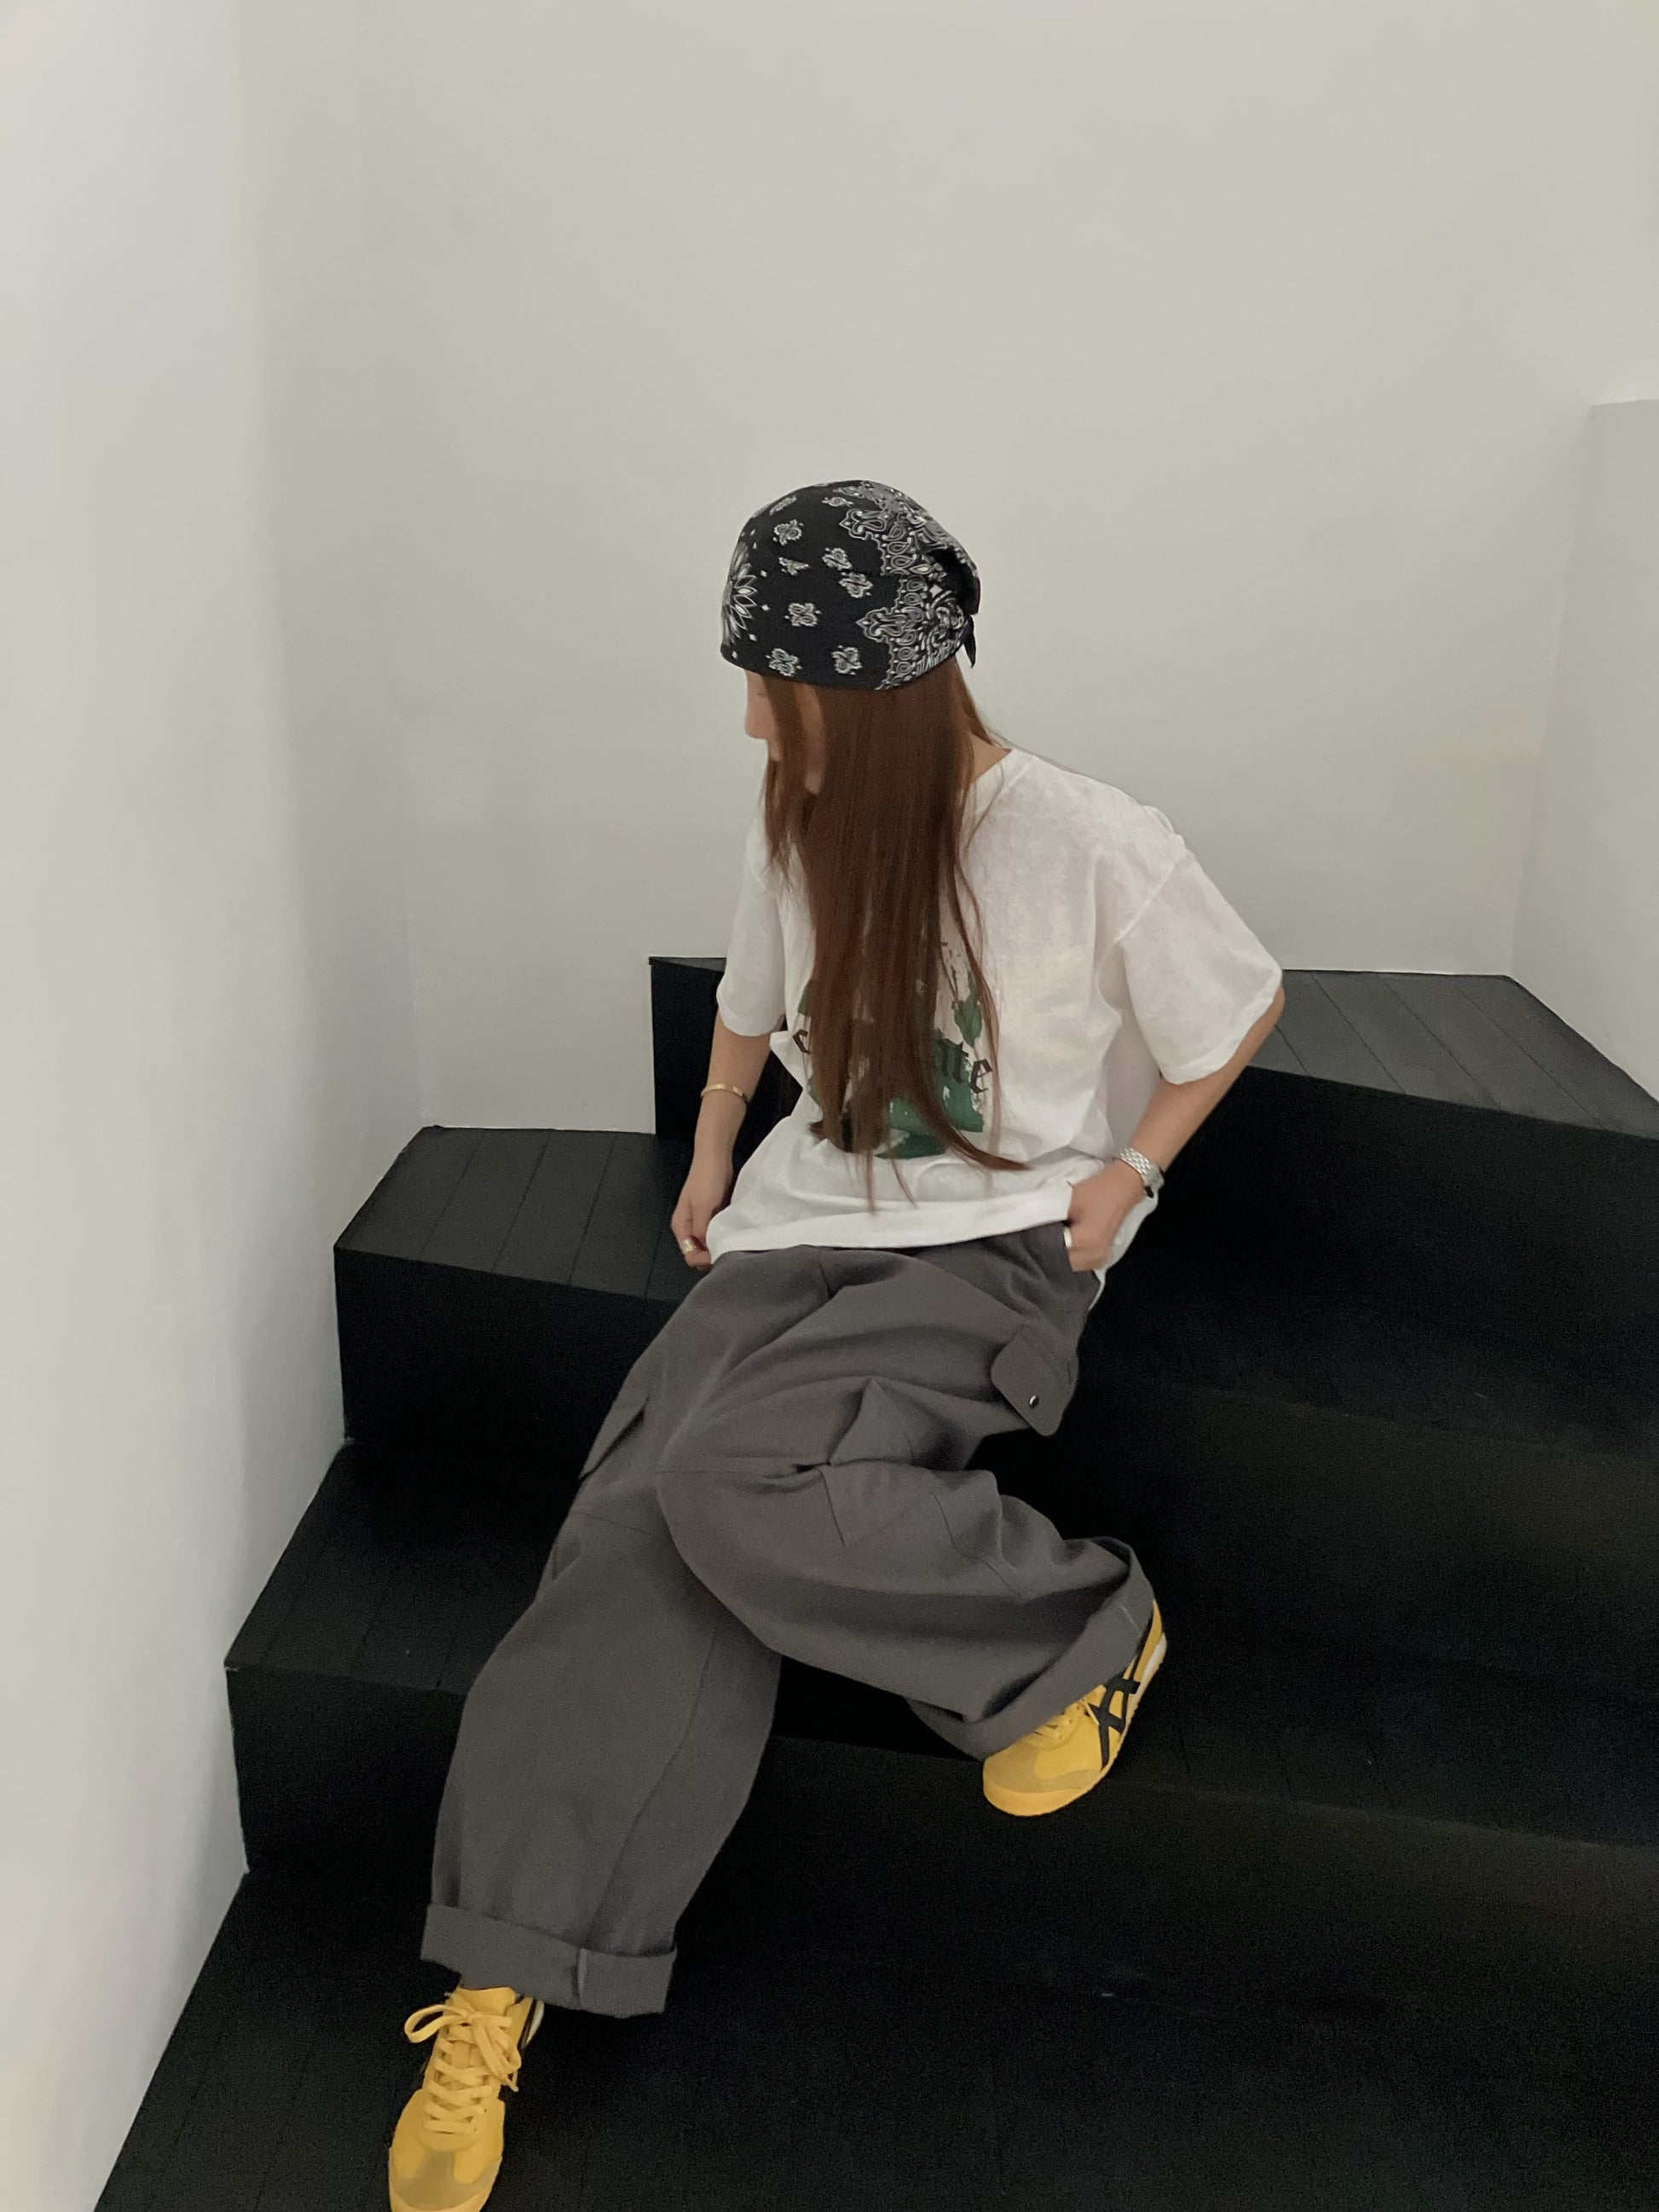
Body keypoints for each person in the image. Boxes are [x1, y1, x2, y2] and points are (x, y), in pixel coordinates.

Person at [386, 479, 1286, 2212]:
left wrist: (1132, 1171)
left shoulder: (1085, 837)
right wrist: (715, 1147)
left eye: (771, 686)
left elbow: (1235, 1000)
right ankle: (506, 1970)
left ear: (867, 692)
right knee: (633, 1520)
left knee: (730, 1468)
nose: (749, 719)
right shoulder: (799, 816)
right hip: (801, 1224)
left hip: (994, 1251)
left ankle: (1081, 1631)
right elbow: (750, 998)